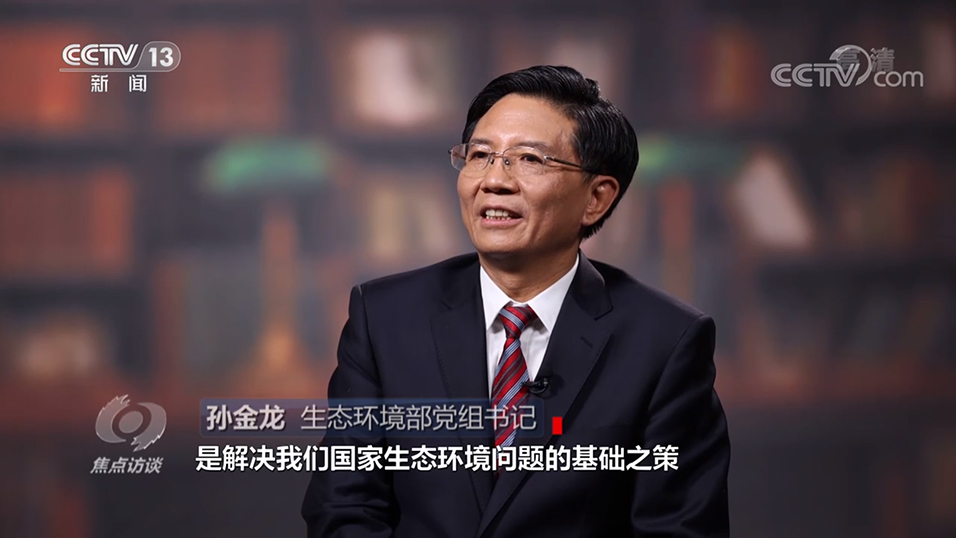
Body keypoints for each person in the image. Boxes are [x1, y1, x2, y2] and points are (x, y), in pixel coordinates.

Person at [302, 65, 730, 537]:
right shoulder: (384, 318)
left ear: (596, 198)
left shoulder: (666, 342)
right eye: (480, 155)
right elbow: (344, 509)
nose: (494, 180)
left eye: (529, 159)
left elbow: (678, 528)